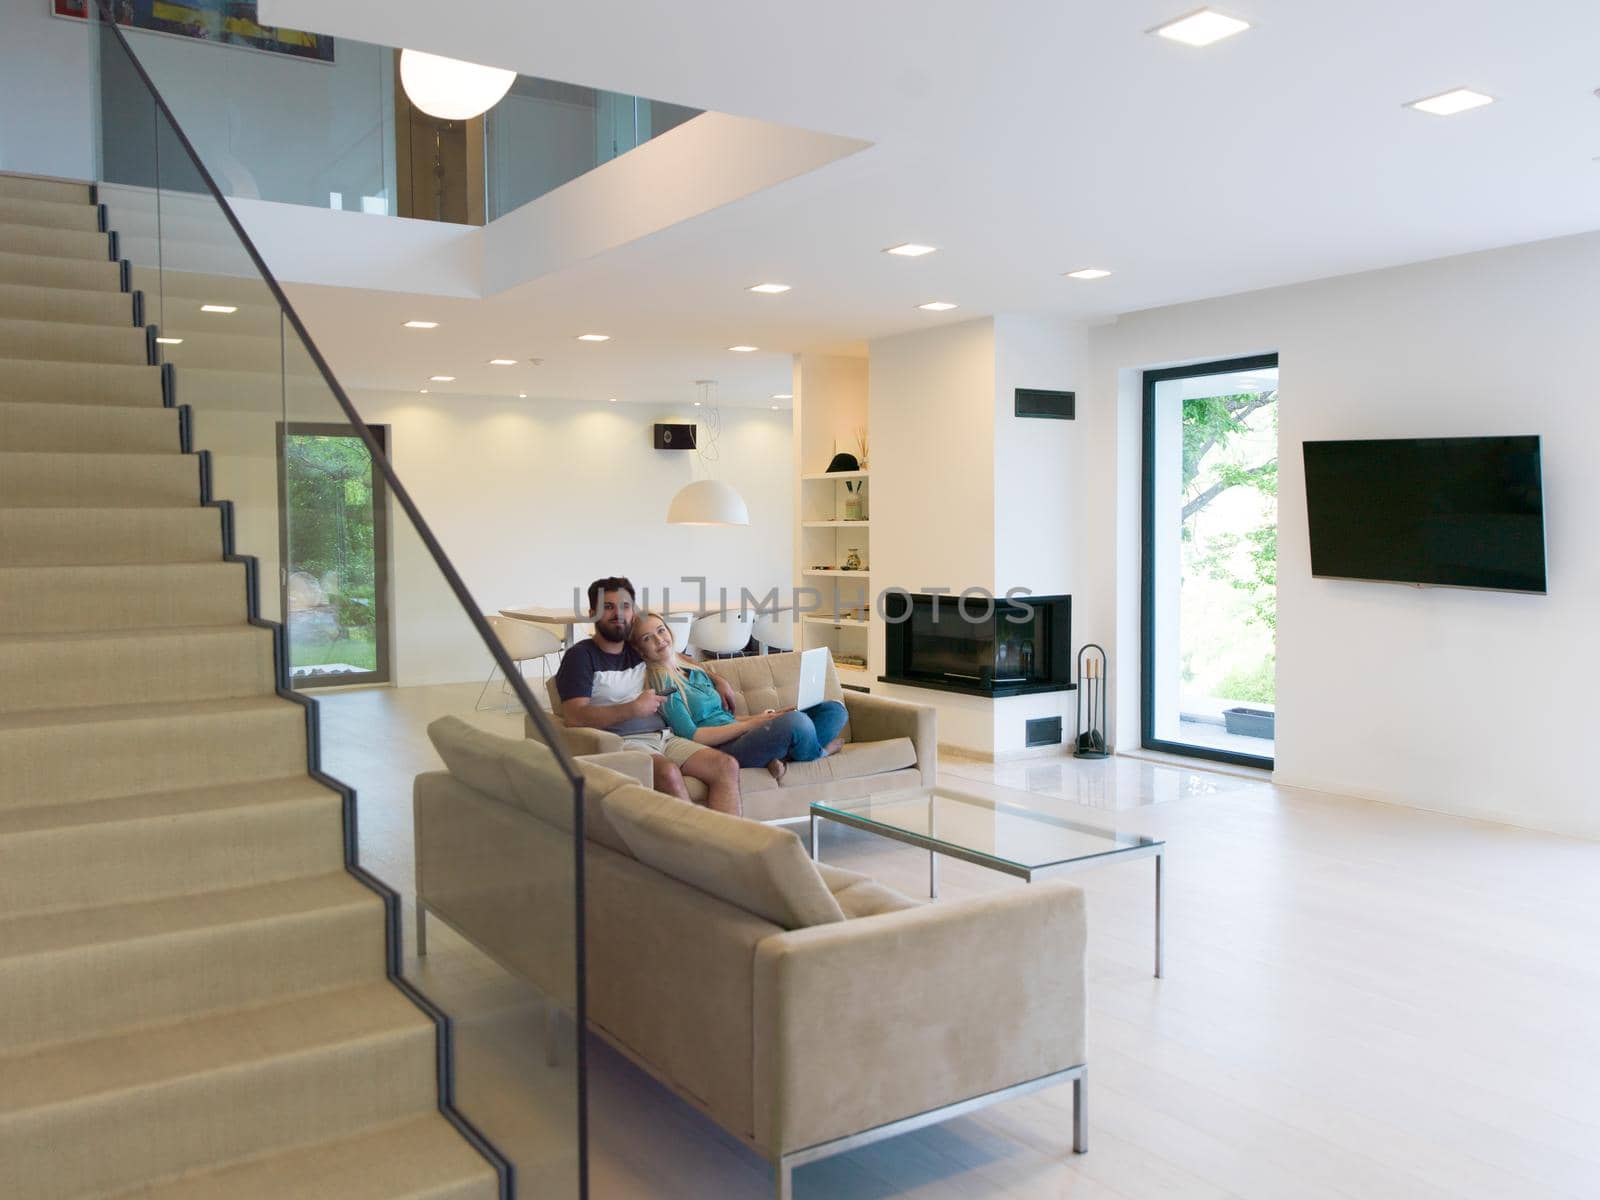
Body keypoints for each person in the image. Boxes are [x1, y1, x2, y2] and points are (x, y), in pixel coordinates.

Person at [553, 578, 742, 814]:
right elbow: (574, 716)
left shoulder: (638, 648)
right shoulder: (580, 657)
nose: (618, 614)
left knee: (726, 765)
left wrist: (717, 679)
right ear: (592, 614)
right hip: (625, 741)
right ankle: (696, 844)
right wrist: (632, 709)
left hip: (666, 736)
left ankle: (730, 846)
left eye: (624, 606)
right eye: (608, 607)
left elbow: (678, 657)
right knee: (668, 772)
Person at [631, 611, 847, 781]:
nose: (659, 639)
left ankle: (784, 757)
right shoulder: (663, 685)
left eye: (661, 630)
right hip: (724, 749)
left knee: (834, 710)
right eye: (648, 638)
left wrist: (767, 717)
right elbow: (693, 736)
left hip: (742, 733)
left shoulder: (690, 668)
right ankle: (818, 753)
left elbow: (724, 716)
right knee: (797, 722)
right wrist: (754, 723)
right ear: (641, 651)